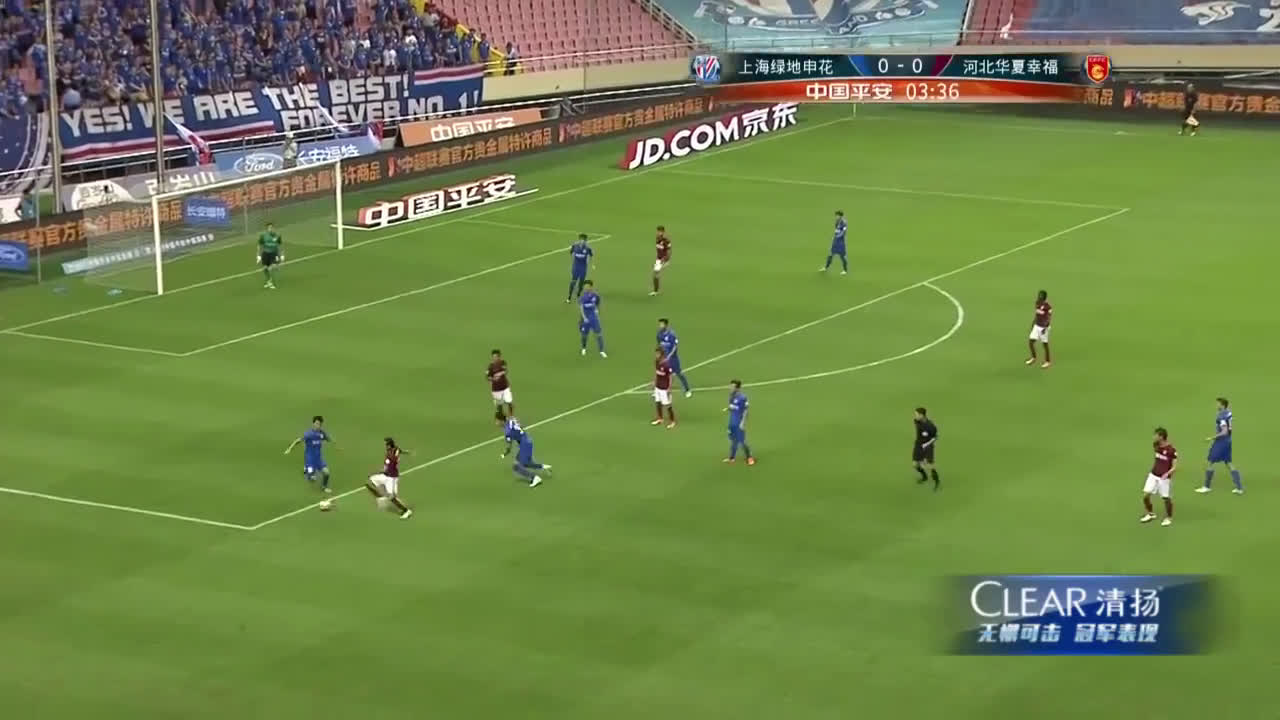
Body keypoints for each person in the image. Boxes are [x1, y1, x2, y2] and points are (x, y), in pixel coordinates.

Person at [1196, 397, 1244, 494]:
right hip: (1228, 441)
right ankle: (1239, 488)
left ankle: (1206, 487)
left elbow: (1224, 431)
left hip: (1221, 442)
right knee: (1228, 463)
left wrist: (1211, 438)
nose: (1216, 405)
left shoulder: (1221, 416)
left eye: (1218, 404)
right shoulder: (1228, 413)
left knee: (1210, 462)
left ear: (1222, 405)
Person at [284, 415, 333, 492]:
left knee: (326, 473)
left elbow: (328, 439)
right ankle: (308, 471)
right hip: (309, 460)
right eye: (316, 423)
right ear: (313, 423)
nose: (318, 426)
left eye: (319, 424)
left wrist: (330, 439)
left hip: (318, 459)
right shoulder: (309, 434)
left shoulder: (322, 433)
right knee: (312, 478)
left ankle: (324, 487)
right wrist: (289, 449)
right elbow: (298, 440)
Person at [366, 437, 413, 519]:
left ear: (389, 445)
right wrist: (406, 452)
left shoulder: (392, 455)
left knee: (392, 497)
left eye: (386, 444)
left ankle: (406, 511)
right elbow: (399, 451)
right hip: (385, 475)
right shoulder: (394, 450)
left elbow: (390, 464)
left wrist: (378, 471)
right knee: (369, 481)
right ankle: (382, 497)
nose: (385, 446)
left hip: (392, 478)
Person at [1141, 428, 1177, 526]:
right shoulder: (1156, 445)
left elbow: (1174, 467)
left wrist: (1167, 473)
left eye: (1156, 435)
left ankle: (1169, 517)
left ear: (1161, 437)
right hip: (1153, 475)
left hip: (1164, 478)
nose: (1154, 437)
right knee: (1145, 496)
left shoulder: (1171, 450)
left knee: (1166, 498)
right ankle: (1150, 514)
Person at [502, 416, 548, 486]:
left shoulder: (507, 431)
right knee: (524, 463)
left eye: (496, 421)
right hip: (527, 440)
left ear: (500, 420)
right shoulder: (511, 420)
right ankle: (542, 466)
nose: (496, 423)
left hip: (524, 444)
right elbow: (521, 426)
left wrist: (504, 453)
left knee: (517, 466)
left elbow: (509, 448)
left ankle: (535, 478)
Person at [657, 317, 692, 396]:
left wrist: (669, 356)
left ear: (666, 325)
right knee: (663, 374)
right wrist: (661, 355)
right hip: (664, 358)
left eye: (662, 324)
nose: (660, 326)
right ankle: (662, 390)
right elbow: (660, 345)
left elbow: (675, 347)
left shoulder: (671, 334)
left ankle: (687, 389)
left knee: (679, 374)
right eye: (660, 324)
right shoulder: (659, 334)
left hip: (673, 358)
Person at [724, 380, 755, 465]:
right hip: (732, 422)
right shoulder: (731, 396)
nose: (730, 388)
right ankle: (732, 458)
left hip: (739, 423)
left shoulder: (742, 398)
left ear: (737, 388)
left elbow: (746, 411)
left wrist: (742, 423)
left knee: (742, 441)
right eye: (730, 386)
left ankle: (750, 458)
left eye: (732, 387)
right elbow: (733, 407)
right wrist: (728, 408)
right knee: (733, 440)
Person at [913, 407, 939, 490]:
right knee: (915, 465)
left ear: (922, 415)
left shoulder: (931, 426)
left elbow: (935, 437)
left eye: (916, 414)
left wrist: (926, 444)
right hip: (918, 445)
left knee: (930, 465)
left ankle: (937, 481)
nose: (915, 416)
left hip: (928, 445)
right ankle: (924, 476)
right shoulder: (916, 421)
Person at [578, 280, 607, 358]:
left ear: (591, 287)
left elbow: (598, 303)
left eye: (587, 286)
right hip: (585, 319)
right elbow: (581, 308)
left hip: (594, 318)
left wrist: (597, 310)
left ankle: (602, 351)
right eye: (585, 286)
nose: (586, 288)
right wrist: (584, 318)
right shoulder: (583, 297)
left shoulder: (595, 296)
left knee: (598, 334)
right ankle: (584, 348)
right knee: (584, 335)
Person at [486, 349, 514, 424]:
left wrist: (500, 374)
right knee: (499, 406)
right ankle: (501, 419)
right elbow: (488, 377)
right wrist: (493, 379)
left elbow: (505, 370)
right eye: (493, 357)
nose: (495, 358)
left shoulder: (503, 363)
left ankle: (511, 417)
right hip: (496, 389)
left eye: (496, 357)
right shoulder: (490, 366)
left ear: (499, 357)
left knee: (509, 402)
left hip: (505, 387)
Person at [652, 346, 677, 428]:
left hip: (664, 388)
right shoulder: (656, 362)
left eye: (657, 353)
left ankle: (672, 421)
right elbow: (656, 372)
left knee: (667, 405)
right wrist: (654, 381)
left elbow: (671, 376)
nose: (656, 355)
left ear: (661, 354)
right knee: (658, 402)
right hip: (658, 386)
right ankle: (660, 418)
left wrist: (669, 388)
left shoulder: (666, 365)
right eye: (656, 353)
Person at [1026, 289, 1052, 368]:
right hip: (1037, 325)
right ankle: (1033, 357)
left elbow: (1049, 318)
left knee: (1045, 344)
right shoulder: (1037, 302)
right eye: (1039, 296)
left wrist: (1045, 328)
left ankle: (1047, 361)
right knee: (1031, 342)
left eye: (1041, 296)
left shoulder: (1048, 306)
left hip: (1044, 327)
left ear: (1044, 297)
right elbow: (1037, 315)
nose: (1039, 297)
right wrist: (1033, 324)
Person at [566, 233, 593, 302]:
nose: (582, 241)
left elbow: (590, 255)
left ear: (586, 241)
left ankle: (578, 294)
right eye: (581, 240)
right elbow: (571, 252)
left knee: (581, 282)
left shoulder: (588, 248)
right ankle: (569, 297)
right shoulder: (575, 246)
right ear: (579, 240)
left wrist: (588, 262)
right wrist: (574, 260)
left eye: (584, 240)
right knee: (573, 281)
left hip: (583, 268)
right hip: (576, 267)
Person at [821, 210, 848, 275]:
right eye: (836, 215)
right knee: (830, 254)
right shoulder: (837, 221)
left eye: (837, 215)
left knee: (842, 256)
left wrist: (838, 236)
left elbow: (844, 232)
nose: (836, 216)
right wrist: (835, 237)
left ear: (840, 216)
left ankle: (845, 270)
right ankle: (825, 267)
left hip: (841, 242)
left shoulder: (844, 222)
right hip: (835, 241)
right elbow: (836, 230)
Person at [257, 221, 283, 289]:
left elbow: (280, 245)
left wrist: (281, 254)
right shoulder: (263, 236)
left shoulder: (278, 235)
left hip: (273, 254)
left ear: (274, 228)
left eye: (271, 227)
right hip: (265, 253)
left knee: (271, 268)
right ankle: (268, 280)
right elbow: (260, 245)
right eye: (269, 228)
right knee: (265, 269)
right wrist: (258, 255)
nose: (270, 229)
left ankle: (270, 282)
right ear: (267, 229)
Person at [651, 225, 671, 296]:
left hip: (663, 259)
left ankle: (655, 291)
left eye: (660, 231)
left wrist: (665, 259)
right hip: (658, 259)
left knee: (656, 272)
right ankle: (655, 291)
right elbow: (659, 250)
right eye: (658, 231)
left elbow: (669, 251)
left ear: (663, 232)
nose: (658, 233)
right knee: (655, 274)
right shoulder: (657, 238)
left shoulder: (666, 240)